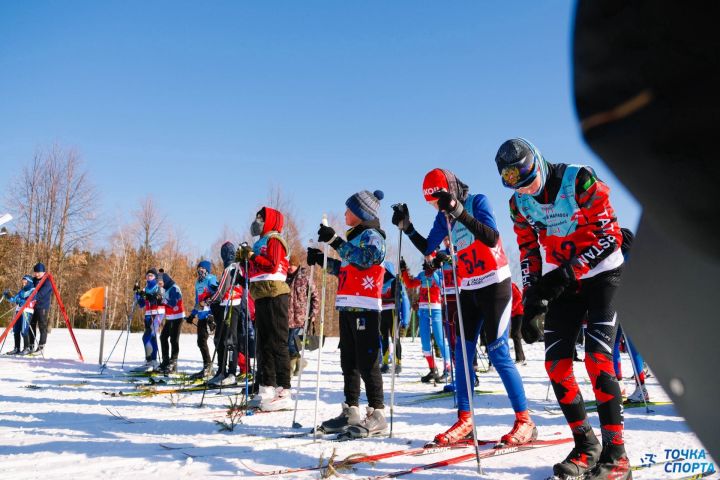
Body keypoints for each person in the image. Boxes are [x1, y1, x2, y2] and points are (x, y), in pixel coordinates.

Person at [496, 138, 629, 479]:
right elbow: (528, 251)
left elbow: (610, 236)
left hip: (604, 275)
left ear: (538, 162)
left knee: (598, 360)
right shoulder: (518, 205)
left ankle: (617, 458)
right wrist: (531, 300)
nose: (525, 190)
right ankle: (587, 446)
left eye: (527, 179)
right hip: (564, 283)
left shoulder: (578, 180)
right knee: (556, 365)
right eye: (514, 183)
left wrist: (565, 274)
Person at [392, 168, 535, 447]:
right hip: (468, 289)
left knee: (498, 352)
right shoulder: (441, 218)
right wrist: (407, 228)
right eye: (431, 203)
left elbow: (491, 237)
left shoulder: (477, 202)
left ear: (450, 190)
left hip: (495, 285)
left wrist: (458, 211)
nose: (435, 206)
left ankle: (524, 421)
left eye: (437, 199)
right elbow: (428, 247)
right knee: (461, 354)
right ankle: (466, 419)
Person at [308, 189, 387, 438]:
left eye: (349, 210)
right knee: (349, 361)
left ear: (362, 213)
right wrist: (322, 260)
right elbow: (346, 269)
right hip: (347, 305)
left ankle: (377, 413)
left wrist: (335, 242)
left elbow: (365, 260)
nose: (344, 214)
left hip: (365, 307)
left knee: (367, 362)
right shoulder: (353, 238)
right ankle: (350, 410)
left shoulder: (373, 237)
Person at [237, 207, 292, 411]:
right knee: (263, 344)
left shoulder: (274, 240)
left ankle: (283, 389)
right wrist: (243, 262)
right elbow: (253, 271)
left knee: (278, 342)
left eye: (261, 218)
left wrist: (251, 256)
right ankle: (266, 387)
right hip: (261, 294)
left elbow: (271, 264)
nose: (257, 221)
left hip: (276, 294)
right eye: (257, 217)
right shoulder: (259, 242)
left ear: (270, 221)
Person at [613, 228, 649, 404]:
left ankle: (626, 388)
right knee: (632, 346)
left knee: (614, 344)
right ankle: (638, 387)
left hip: (624, 306)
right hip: (639, 307)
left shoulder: (621, 259)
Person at [400, 257, 451, 383]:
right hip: (422, 310)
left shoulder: (440, 273)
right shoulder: (422, 274)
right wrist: (404, 271)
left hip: (435, 309)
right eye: (426, 257)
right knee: (425, 343)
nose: (427, 259)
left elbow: (442, 285)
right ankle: (433, 369)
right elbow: (410, 284)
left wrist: (434, 271)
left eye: (430, 257)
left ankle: (448, 370)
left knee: (439, 339)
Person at [208, 242, 249, 386]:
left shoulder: (230, 268)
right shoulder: (241, 267)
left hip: (230, 305)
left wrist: (208, 300)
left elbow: (220, 291)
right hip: (236, 306)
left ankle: (229, 373)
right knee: (225, 339)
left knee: (228, 340)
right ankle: (222, 371)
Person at [286, 254, 319, 376]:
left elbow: (315, 296)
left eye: (292, 265)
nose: (290, 267)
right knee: (286, 343)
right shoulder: (284, 278)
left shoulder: (305, 277)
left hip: (300, 317)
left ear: (297, 265)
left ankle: (290, 368)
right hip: (286, 317)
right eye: (288, 264)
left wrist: (313, 313)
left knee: (292, 343)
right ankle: (301, 362)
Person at [186, 260, 218, 380]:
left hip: (210, 315)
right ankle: (208, 367)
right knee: (201, 342)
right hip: (201, 316)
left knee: (210, 341)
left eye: (202, 268)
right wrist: (192, 315)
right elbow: (197, 301)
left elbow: (216, 293)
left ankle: (214, 368)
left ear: (207, 270)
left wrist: (212, 314)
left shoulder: (211, 279)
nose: (200, 270)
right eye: (199, 268)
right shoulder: (197, 283)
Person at [379, 261, 409, 374]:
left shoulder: (395, 281)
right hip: (381, 311)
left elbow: (405, 299)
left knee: (395, 338)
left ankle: (398, 363)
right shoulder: (378, 280)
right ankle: (385, 363)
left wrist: (405, 319)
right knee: (383, 338)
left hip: (392, 312)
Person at [134, 268, 165, 371]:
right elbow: (141, 305)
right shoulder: (145, 288)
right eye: (147, 275)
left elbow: (160, 299)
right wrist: (137, 294)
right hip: (148, 315)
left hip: (157, 314)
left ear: (155, 277)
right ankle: (150, 361)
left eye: (151, 275)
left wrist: (151, 296)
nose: (148, 277)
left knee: (148, 336)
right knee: (151, 337)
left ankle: (152, 360)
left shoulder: (158, 287)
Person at [157, 272, 184, 374]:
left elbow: (173, 302)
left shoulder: (174, 287)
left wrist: (163, 300)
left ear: (165, 280)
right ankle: (166, 361)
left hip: (177, 317)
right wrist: (158, 300)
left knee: (174, 339)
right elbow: (163, 303)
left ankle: (173, 363)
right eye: (158, 283)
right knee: (163, 337)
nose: (160, 284)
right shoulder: (165, 289)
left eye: (160, 282)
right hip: (170, 317)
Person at [3, 275, 35, 355]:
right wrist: (8, 295)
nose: (23, 284)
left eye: (25, 282)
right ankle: (17, 348)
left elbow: (33, 301)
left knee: (24, 330)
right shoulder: (22, 291)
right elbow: (14, 299)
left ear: (29, 283)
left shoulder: (33, 290)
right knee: (16, 329)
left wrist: (24, 302)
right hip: (18, 311)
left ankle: (26, 348)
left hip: (27, 311)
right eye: (22, 282)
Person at [29, 263, 53, 354]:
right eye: (35, 272)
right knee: (31, 325)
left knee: (42, 326)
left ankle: (41, 346)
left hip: (42, 306)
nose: (37, 274)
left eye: (39, 272)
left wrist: (33, 297)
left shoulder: (47, 281)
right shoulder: (33, 280)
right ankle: (31, 345)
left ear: (43, 272)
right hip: (32, 306)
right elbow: (29, 288)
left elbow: (42, 293)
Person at [510, 283, 526, 364]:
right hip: (514, 313)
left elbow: (519, 297)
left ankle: (520, 358)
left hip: (518, 312)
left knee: (515, 334)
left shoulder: (510, 285)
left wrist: (512, 308)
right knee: (515, 335)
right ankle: (521, 358)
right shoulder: (509, 285)